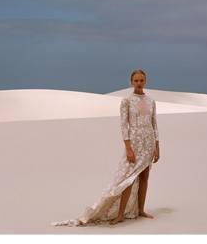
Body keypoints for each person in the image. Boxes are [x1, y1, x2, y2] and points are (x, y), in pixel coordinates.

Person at [51, 69, 160, 226]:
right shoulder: (126, 101)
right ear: (131, 82)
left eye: (141, 80)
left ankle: (141, 210)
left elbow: (154, 124)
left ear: (146, 81)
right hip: (135, 145)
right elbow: (124, 126)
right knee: (127, 180)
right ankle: (120, 214)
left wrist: (157, 146)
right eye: (136, 81)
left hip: (148, 144)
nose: (139, 83)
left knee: (144, 177)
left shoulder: (151, 101)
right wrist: (128, 148)